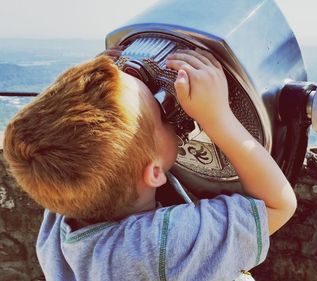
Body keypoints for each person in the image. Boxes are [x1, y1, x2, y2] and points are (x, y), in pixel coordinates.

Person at [2, 49, 297, 280]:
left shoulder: (60, 217)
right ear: (153, 172)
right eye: (159, 113)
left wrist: (101, 78)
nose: (165, 111)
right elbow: (276, 205)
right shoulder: (162, 247)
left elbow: (66, 138)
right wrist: (217, 117)